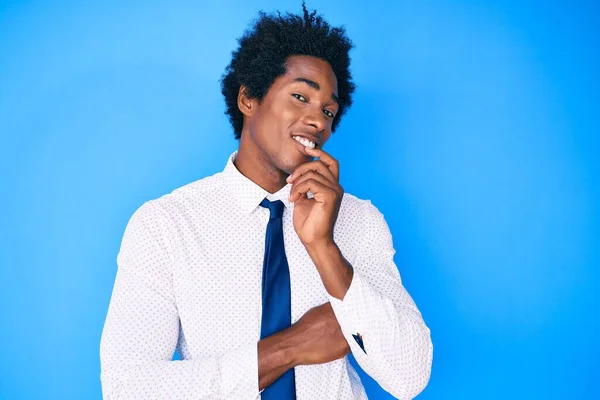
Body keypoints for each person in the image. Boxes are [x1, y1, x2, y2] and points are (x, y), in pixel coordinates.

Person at [100, 3, 432, 399]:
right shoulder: (166, 224)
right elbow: (127, 388)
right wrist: (289, 348)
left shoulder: (358, 220)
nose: (319, 121)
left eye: (328, 111)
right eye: (300, 97)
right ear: (248, 99)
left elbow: (410, 377)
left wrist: (324, 248)